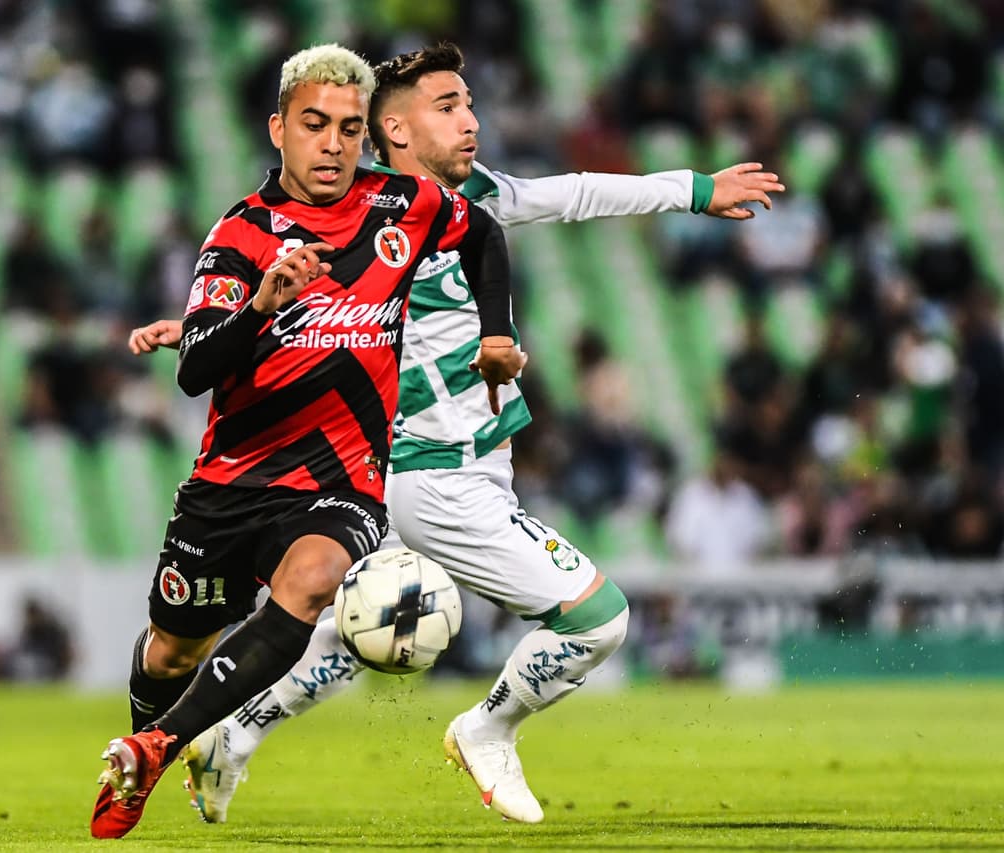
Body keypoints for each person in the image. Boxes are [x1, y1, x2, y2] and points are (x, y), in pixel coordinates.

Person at [127, 43, 783, 824]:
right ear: (394, 131)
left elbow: (570, 194)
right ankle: (488, 729)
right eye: (449, 107)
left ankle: (232, 735)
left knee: (352, 634)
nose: (472, 121)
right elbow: (302, 306)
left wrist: (694, 187)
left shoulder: (465, 203)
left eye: (470, 103)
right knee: (598, 619)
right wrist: (219, 322)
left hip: (437, 470)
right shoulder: (369, 218)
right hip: (430, 475)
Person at [89, 44, 521, 839]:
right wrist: (261, 304)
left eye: (350, 129)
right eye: (315, 125)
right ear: (278, 128)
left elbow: (484, 233)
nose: (333, 144)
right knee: (168, 657)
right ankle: (159, 730)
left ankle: (153, 747)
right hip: (232, 479)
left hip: (341, 477)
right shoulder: (241, 234)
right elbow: (196, 372)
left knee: (318, 576)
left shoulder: (405, 205)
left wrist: (495, 333)